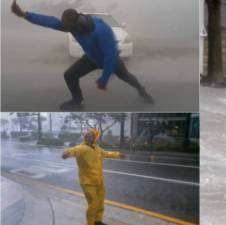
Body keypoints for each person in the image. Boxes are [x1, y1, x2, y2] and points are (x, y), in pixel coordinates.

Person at [11, 0, 154, 110]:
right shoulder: (70, 24)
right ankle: (77, 101)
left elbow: (110, 56)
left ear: (76, 23)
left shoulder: (100, 30)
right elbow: (49, 21)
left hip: (109, 60)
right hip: (91, 58)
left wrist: (104, 79)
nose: (64, 28)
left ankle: (142, 91)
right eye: (64, 26)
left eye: (67, 27)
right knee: (69, 75)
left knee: (127, 77)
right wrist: (25, 15)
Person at [62, 128, 126, 225]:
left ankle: (98, 221)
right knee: (94, 204)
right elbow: (73, 151)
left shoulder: (97, 148)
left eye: (91, 136)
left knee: (100, 202)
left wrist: (118, 154)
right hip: (87, 182)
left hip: (99, 181)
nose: (89, 138)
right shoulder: (82, 148)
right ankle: (90, 223)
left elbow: (107, 154)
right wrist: (66, 153)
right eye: (87, 136)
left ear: (94, 138)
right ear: (85, 137)